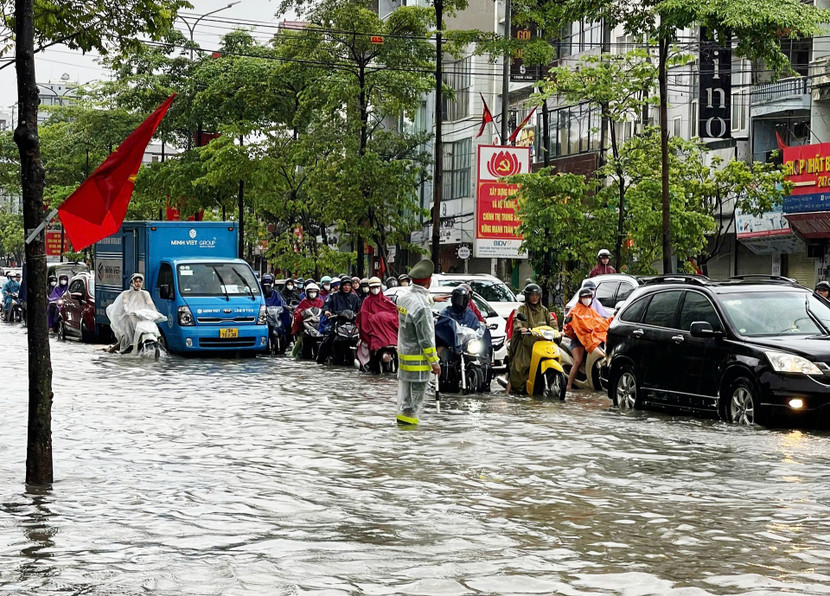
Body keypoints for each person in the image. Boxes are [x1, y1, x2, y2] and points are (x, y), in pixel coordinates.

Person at [395, 259, 440, 425]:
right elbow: (426, 339)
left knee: (405, 401)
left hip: (404, 359)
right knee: (412, 407)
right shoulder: (423, 308)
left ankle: (403, 435)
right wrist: (435, 362)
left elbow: (417, 304)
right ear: (428, 281)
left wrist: (433, 299)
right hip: (419, 364)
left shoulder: (404, 298)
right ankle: (409, 441)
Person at [506, 283, 554, 394]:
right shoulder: (522, 309)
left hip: (542, 344)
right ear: (527, 296)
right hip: (525, 344)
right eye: (532, 295)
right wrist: (520, 328)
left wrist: (558, 332)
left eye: (537, 295)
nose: (534, 297)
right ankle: (509, 392)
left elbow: (552, 323)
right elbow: (517, 321)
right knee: (519, 369)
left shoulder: (544, 310)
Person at [565, 286, 611, 391]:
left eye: (589, 296)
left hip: (590, 341)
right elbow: (568, 327)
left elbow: (601, 323)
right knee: (578, 361)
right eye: (585, 297)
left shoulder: (592, 311)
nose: (587, 299)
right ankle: (569, 385)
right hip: (578, 341)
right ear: (580, 298)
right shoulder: (575, 311)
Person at [106, 273, 160, 353]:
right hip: (130, 318)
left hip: (142, 318)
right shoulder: (126, 294)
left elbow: (150, 304)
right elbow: (125, 304)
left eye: (140, 282)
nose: (138, 284)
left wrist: (154, 312)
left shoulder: (145, 294)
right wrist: (128, 311)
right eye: (136, 281)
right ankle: (113, 351)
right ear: (132, 283)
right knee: (126, 339)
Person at [356, 277, 399, 371]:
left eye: (377, 287)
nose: (375, 289)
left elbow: (395, 315)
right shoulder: (367, 301)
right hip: (373, 333)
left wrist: (383, 317)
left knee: (398, 352)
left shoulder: (386, 300)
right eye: (373, 287)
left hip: (390, 333)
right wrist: (377, 318)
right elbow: (364, 317)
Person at [317, 276, 362, 363]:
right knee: (328, 341)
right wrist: (326, 311)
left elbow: (360, 309)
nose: (347, 287)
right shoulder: (334, 296)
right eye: (345, 285)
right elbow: (326, 305)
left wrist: (359, 315)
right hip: (337, 323)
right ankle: (321, 360)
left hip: (352, 324)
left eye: (349, 285)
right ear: (341, 286)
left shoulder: (355, 297)